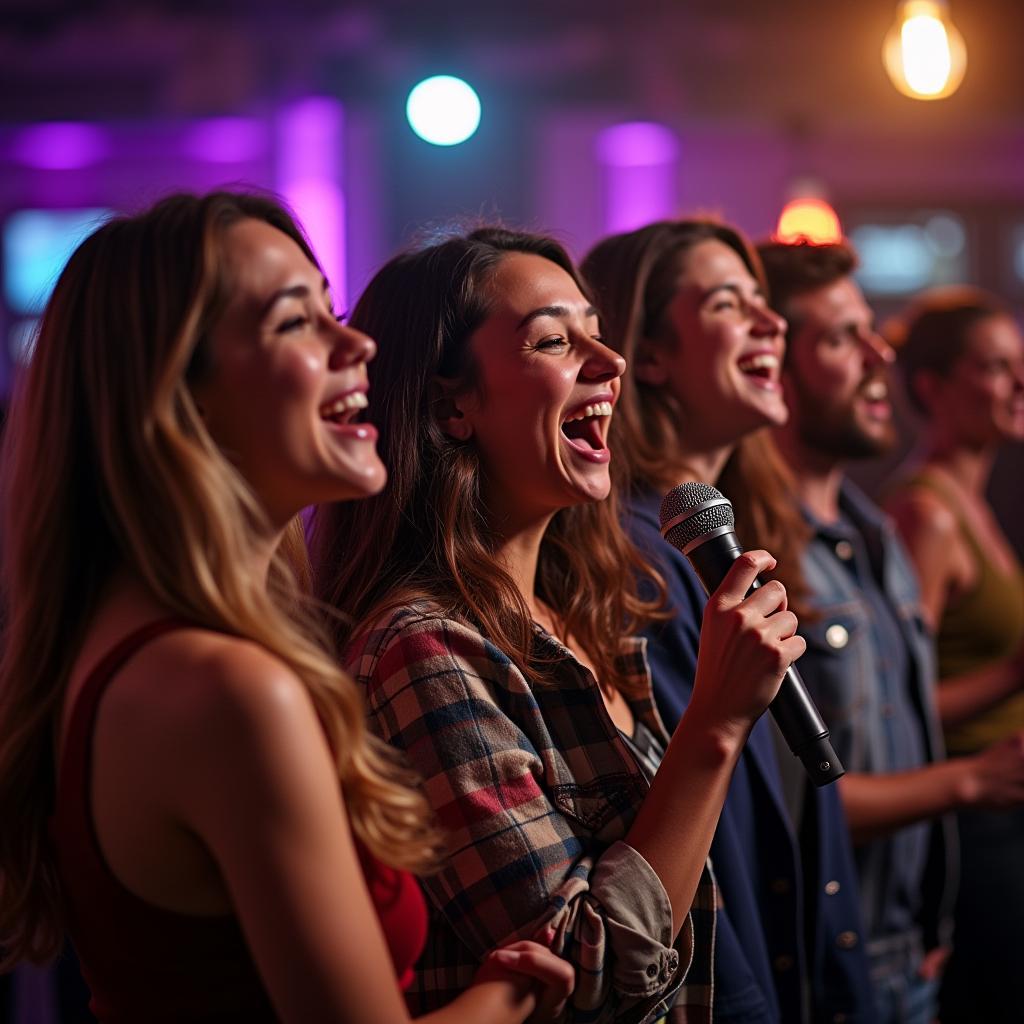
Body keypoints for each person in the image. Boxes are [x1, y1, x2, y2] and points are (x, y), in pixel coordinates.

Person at [0, 192, 574, 1024]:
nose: (357, 345)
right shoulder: (229, 689)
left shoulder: (132, 646)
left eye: (333, 310)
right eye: (295, 323)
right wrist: (515, 988)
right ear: (179, 397)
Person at [312, 226, 807, 1022]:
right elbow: (589, 979)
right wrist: (715, 723)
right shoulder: (422, 649)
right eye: (553, 340)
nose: (607, 364)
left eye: (599, 335)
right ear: (453, 402)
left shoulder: (580, 610)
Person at [581, 219, 875, 1024]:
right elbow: (712, 842)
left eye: (761, 300)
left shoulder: (735, 535)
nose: (771, 321)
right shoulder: (638, 564)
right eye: (727, 302)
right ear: (649, 356)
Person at [755, 238, 1024, 1024]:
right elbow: (787, 801)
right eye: (843, 336)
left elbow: (894, 722)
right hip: (841, 956)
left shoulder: (870, 535)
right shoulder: (776, 554)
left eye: (872, 329)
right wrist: (973, 775)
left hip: (908, 941)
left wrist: (927, 917)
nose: (881, 353)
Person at [884, 290, 1024, 1022]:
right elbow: (896, 705)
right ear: (933, 387)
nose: (1019, 384)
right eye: (996, 368)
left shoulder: (976, 503)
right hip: (972, 822)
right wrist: (1013, 673)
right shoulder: (926, 513)